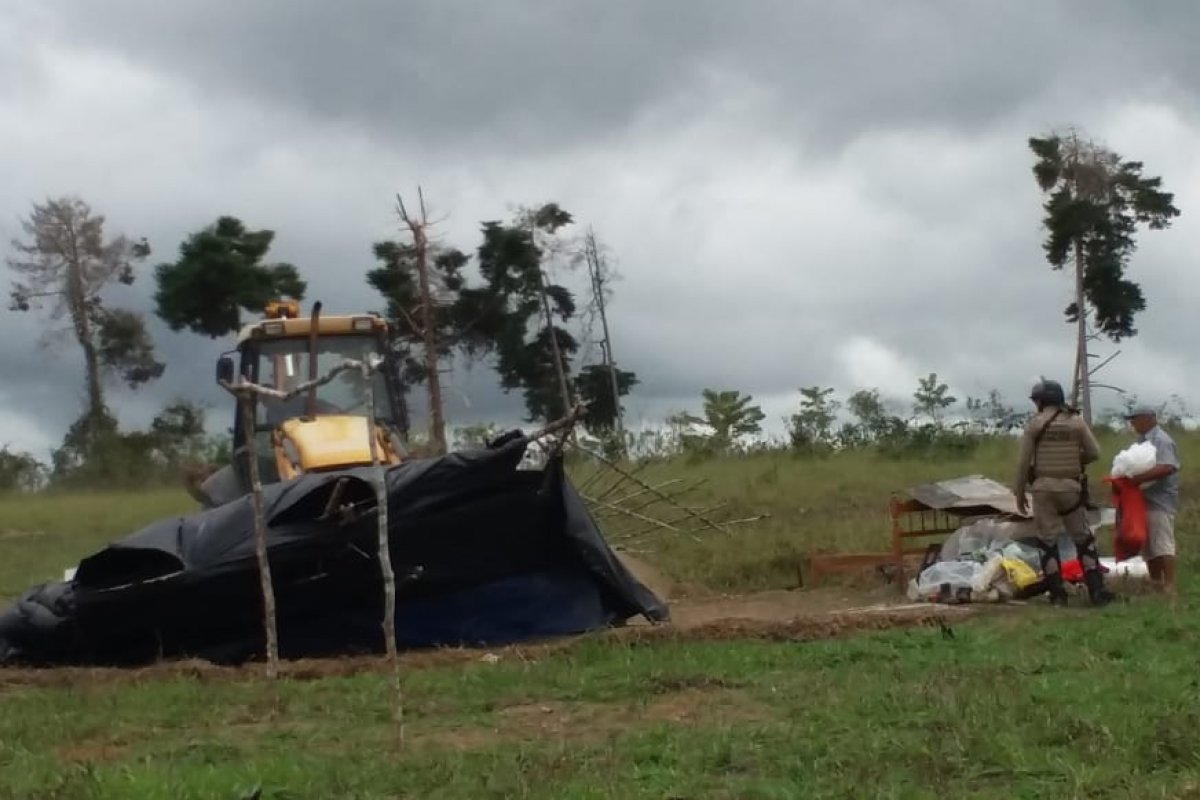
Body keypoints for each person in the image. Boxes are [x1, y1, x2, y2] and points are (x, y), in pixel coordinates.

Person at [1013, 380, 1115, 606]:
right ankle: (1097, 591)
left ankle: (1058, 595)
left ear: (1041, 401)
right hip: (1071, 488)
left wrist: (1019, 493)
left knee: (1047, 540)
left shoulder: (1034, 425)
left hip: (1043, 489)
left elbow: (1023, 464)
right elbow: (1094, 452)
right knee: (1083, 538)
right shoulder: (1076, 422)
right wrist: (1075, 463)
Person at [1124, 405, 1181, 594]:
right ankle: (1156, 582)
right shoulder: (1142, 440)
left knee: (1163, 544)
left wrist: (1138, 479)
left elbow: (1167, 467)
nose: (1132, 423)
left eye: (1135, 419)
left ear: (1149, 418)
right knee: (1148, 546)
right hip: (1143, 500)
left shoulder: (1161, 440)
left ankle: (1170, 585)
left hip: (1160, 501)